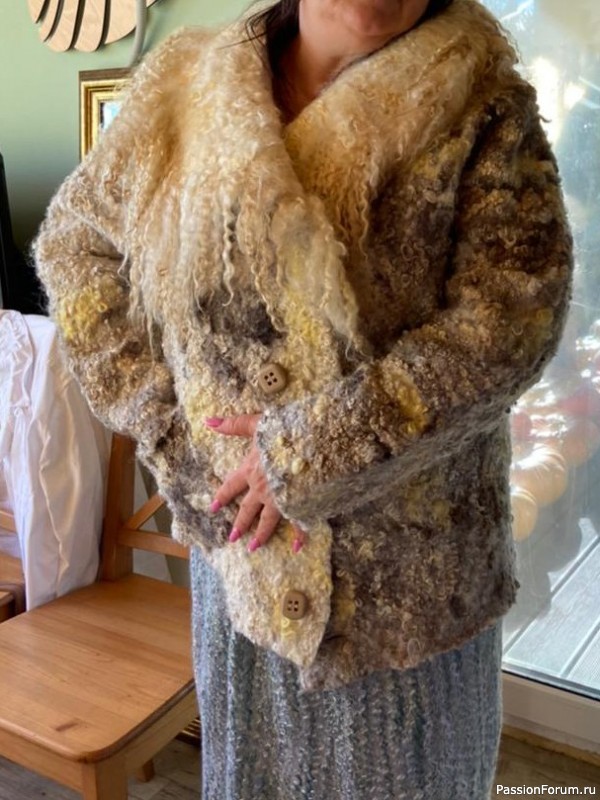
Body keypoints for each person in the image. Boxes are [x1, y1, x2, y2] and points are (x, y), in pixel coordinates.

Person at [34, 0, 573, 796]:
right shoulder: (186, 87)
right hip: (243, 579)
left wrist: (310, 449)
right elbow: (73, 248)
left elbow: (510, 322)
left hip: (405, 608)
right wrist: (168, 426)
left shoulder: (483, 107)